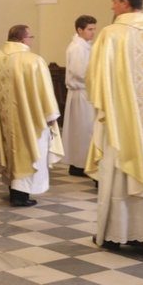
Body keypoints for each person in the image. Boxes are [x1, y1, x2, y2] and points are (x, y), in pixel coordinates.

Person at [87, 0, 143, 257]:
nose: (111, 7)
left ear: (124, 2)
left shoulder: (111, 35)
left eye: (113, 1)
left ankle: (114, 234)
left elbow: (95, 78)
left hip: (121, 127)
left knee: (119, 176)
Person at [0, 24, 64, 207]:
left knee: (10, 151)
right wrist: (51, 116)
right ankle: (20, 194)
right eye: (31, 37)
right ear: (24, 39)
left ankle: (13, 189)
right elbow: (45, 93)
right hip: (30, 122)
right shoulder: (33, 60)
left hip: (4, 122)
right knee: (30, 151)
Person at [61, 15, 97, 177]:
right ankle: (79, 164)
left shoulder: (85, 46)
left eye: (94, 29)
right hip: (81, 92)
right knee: (83, 130)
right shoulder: (77, 48)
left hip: (85, 92)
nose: (93, 32)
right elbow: (79, 72)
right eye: (90, 29)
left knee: (83, 129)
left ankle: (80, 163)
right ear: (79, 30)